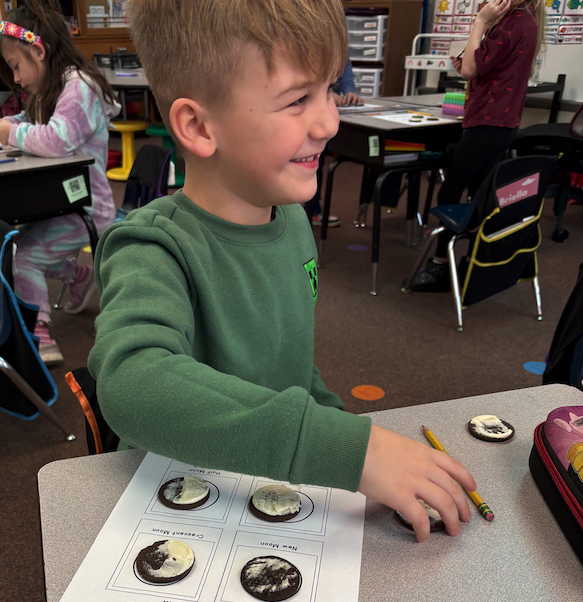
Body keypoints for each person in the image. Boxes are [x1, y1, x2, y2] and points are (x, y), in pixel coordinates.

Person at [88, 0, 476, 542]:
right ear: (198, 125)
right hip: (180, 506)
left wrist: (343, 432)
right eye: (297, 100)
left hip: (270, 493)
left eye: (329, 91)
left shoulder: (292, 220)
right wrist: (350, 450)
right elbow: (133, 382)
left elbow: (291, 367)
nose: (329, 121)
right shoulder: (152, 246)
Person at [0, 0, 120, 364]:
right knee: (17, 247)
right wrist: (9, 123)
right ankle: (79, 275)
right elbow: (33, 121)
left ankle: (40, 332)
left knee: (27, 256)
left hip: (86, 208)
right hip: (61, 202)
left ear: (39, 52)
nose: (16, 79)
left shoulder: (79, 87)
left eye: (16, 66)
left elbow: (57, 139)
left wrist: (11, 134)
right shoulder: (54, 88)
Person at [410, 0, 544, 291]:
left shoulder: (512, 23)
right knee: (480, 196)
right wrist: (471, 63)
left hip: (487, 122)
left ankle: (440, 266)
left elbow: (470, 69)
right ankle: (472, 265)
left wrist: (480, 21)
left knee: (450, 191)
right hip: (501, 122)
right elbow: (477, 67)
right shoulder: (526, 19)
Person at [311, 56, 364, 227]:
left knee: (315, 162)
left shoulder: (342, 54)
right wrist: (324, 93)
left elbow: (344, 67)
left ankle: (313, 211)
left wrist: (349, 91)